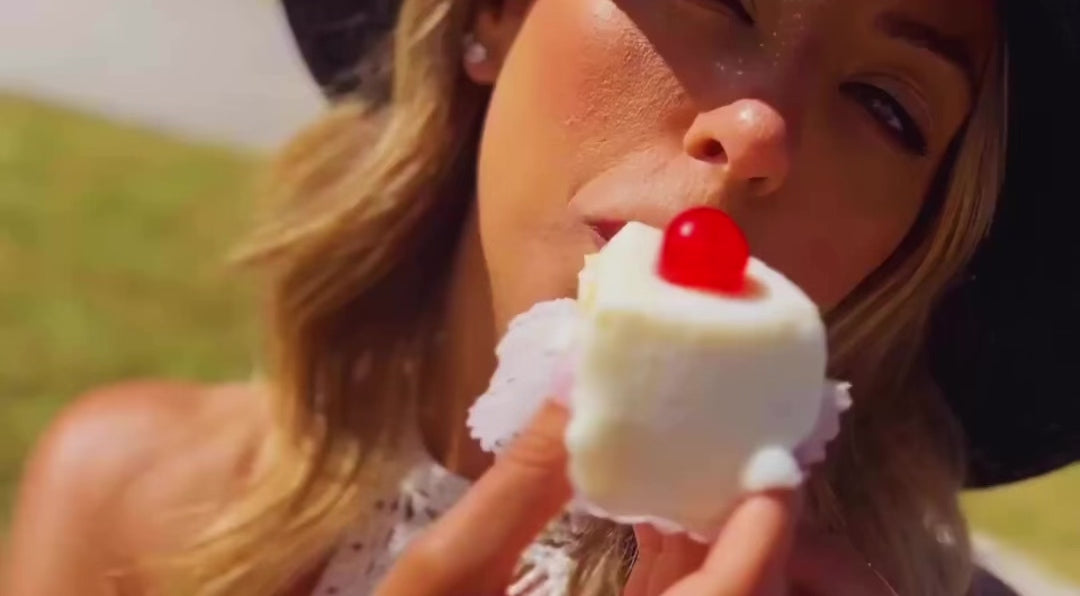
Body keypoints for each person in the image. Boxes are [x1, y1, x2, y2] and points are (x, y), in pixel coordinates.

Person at [3, 0, 1078, 594]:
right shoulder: (130, 499)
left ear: (908, 248)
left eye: (888, 106)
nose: (759, 131)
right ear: (497, 14)